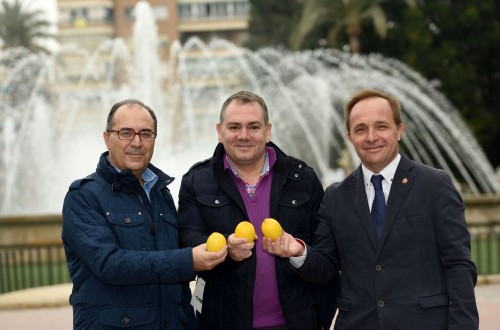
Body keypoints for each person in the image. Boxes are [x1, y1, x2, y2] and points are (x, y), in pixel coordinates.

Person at [263, 88, 479, 329]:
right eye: (360, 129)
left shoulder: (434, 185)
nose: (371, 137)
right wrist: (298, 251)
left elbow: (459, 265)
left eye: (381, 126)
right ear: (349, 137)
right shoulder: (335, 196)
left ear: (399, 130)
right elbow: (325, 267)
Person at [61, 99, 227, 330]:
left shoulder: (161, 193)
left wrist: (224, 248)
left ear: (154, 139)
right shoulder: (83, 197)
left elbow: (176, 259)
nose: (137, 142)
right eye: (126, 133)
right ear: (107, 138)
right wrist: (188, 260)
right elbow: (110, 264)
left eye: (146, 134)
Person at [177, 91, 335, 329]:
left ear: (267, 131)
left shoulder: (302, 178)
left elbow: (328, 259)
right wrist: (227, 252)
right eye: (234, 127)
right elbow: (188, 244)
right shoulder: (195, 182)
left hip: (297, 322)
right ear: (219, 132)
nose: (243, 136)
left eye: (253, 127)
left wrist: (298, 252)